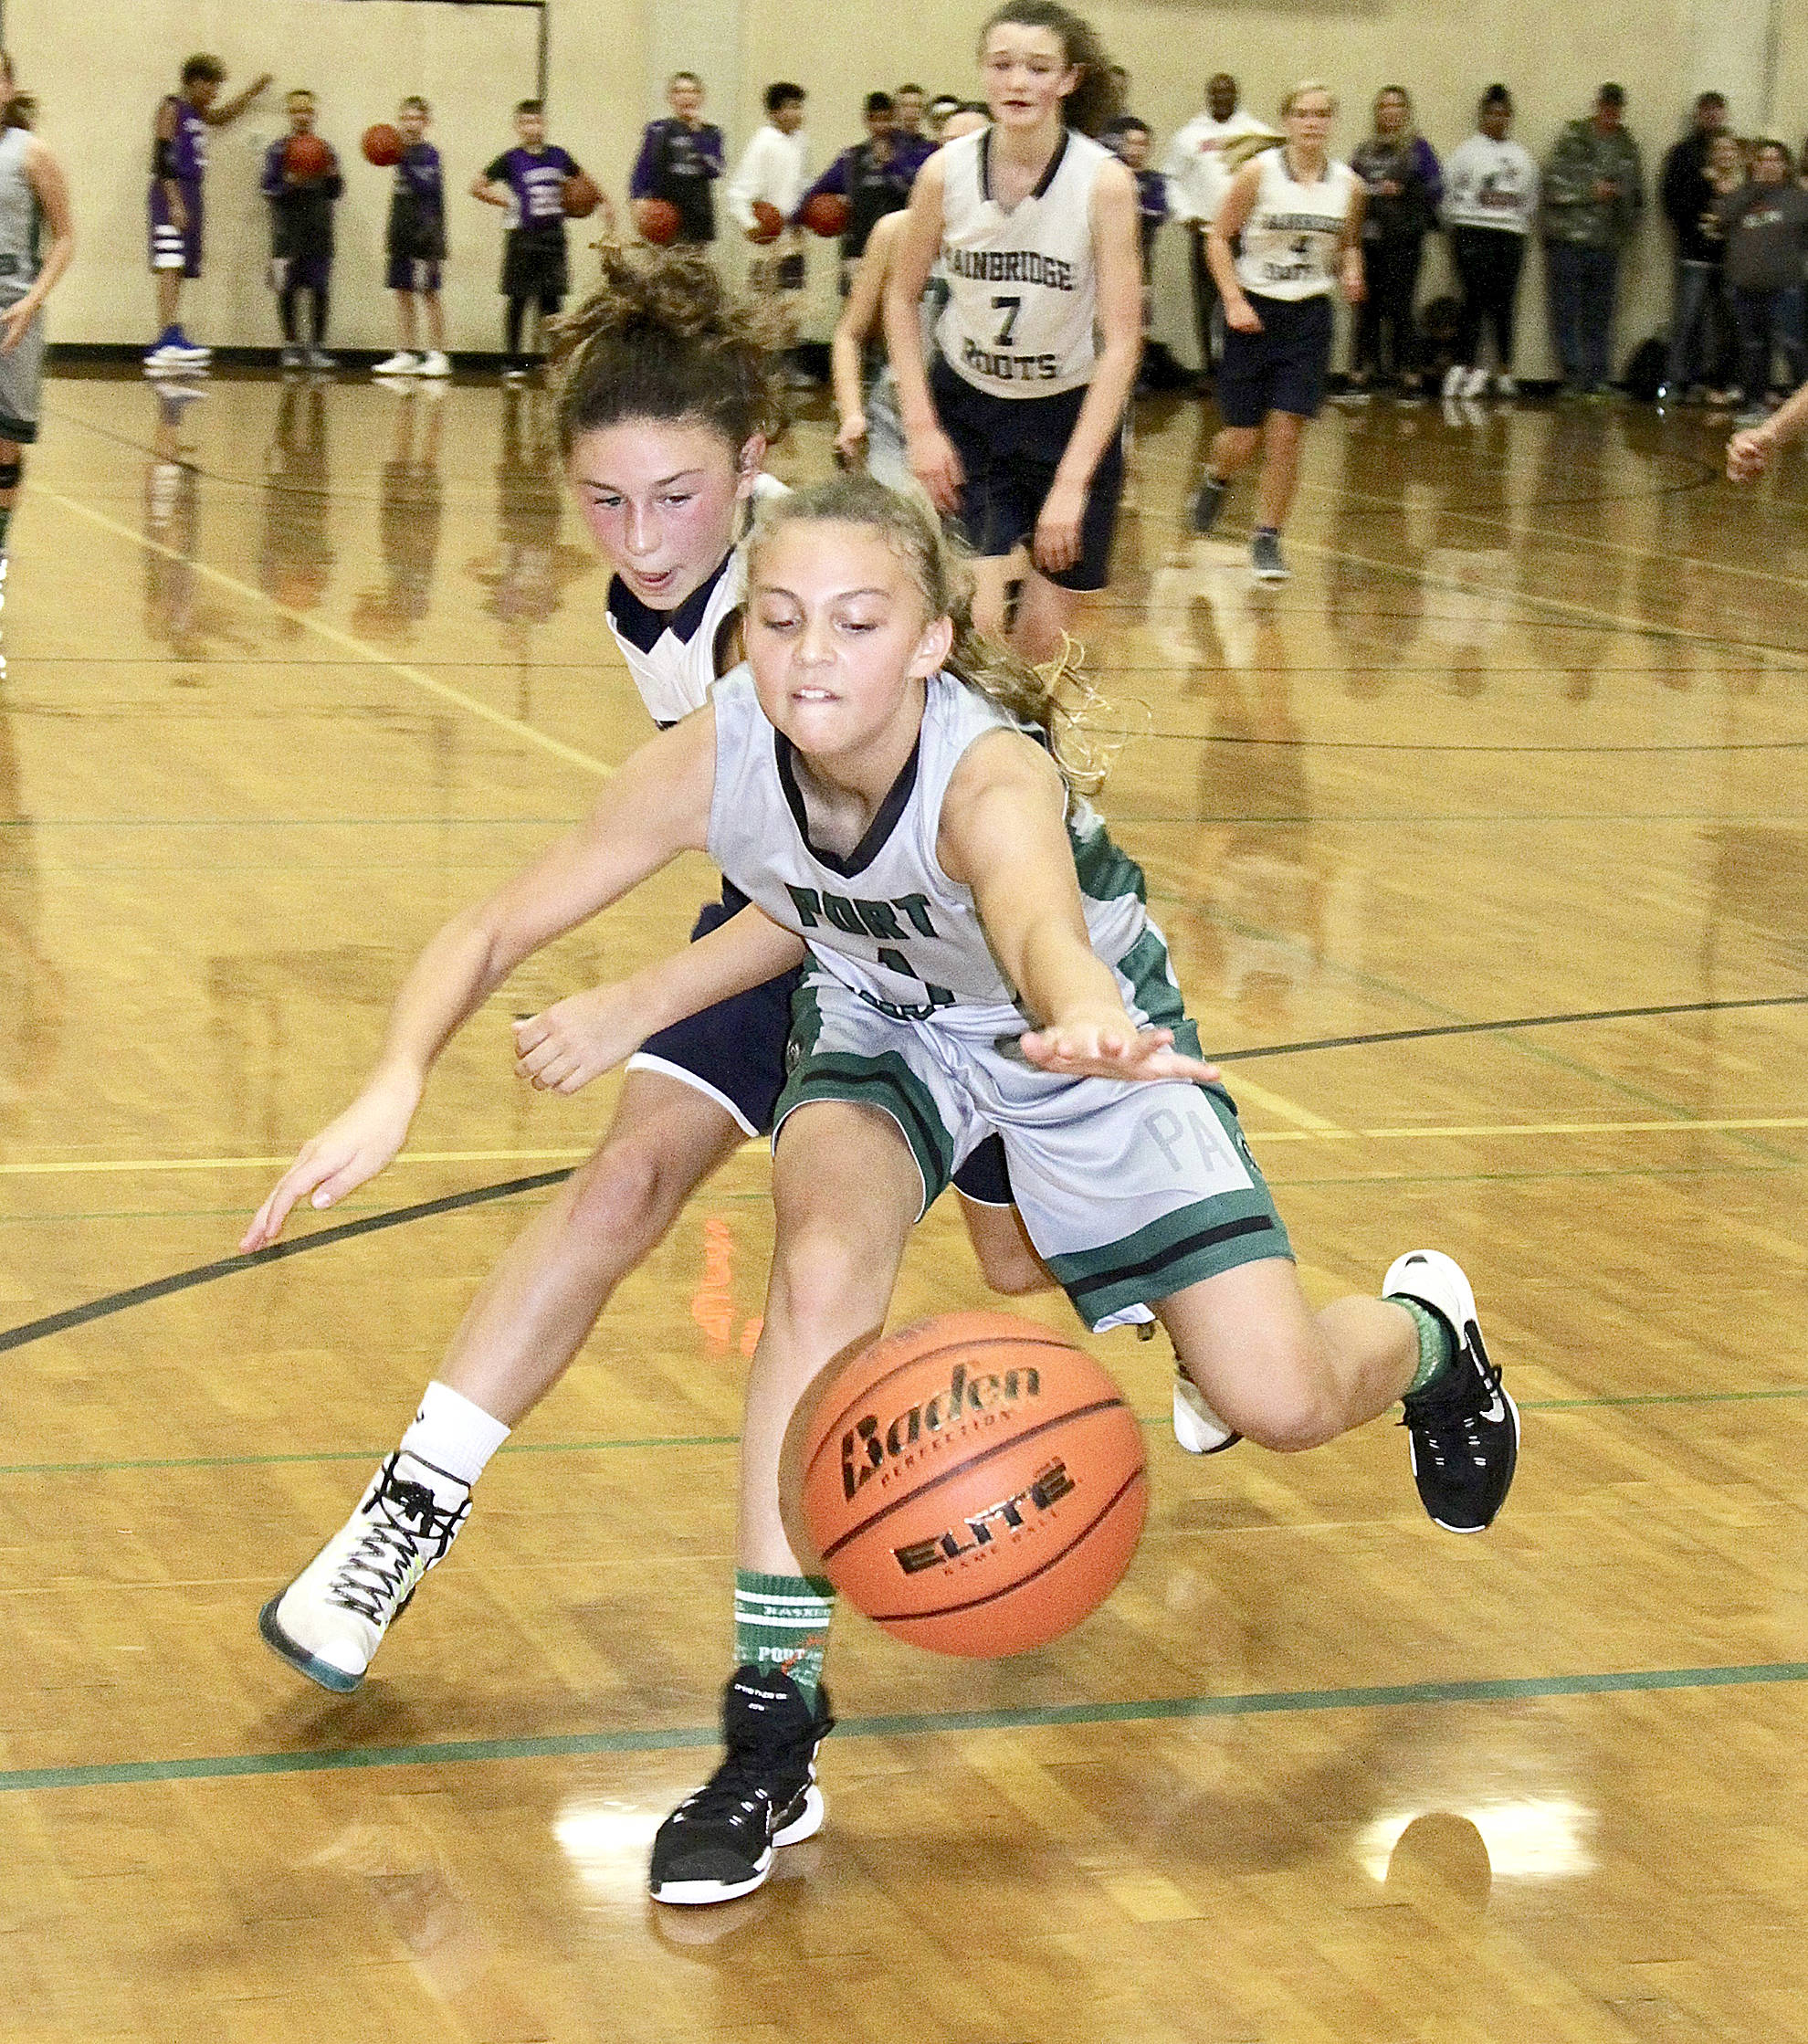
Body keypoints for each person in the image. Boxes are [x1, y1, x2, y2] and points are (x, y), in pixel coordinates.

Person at [447, 470, 1512, 1904]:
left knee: (1280, 1396)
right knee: (820, 1269)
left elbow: (1034, 921)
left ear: (933, 639)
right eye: (781, 617)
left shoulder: (991, 773)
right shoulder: (737, 743)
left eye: (857, 620)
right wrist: (477, 1048)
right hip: (886, 1025)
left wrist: (1084, 1014)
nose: (812, 651)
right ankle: (769, 1727)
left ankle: (1434, 1340)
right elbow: (769, 905)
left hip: (1077, 1036)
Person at [249, 248, 1046, 1704]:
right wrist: (392, 1078)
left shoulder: (779, 620)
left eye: (674, 498)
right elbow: (525, 913)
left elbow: (851, 887)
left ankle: (1209, 1292)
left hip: (949, 936)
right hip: (791, 909)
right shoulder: (664, 591)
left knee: (1021, 1262)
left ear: (752, 465)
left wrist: (635, 1000)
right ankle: (397, 1523)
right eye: (604, 500)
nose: (640, 535)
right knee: (622, 1183)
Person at [886, 0, 1142, 664]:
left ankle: (1032, 736)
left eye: (1038, 67)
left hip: (1066, 416)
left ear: (1069, 79)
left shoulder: (1104, 184)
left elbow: (1122, 343)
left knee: (1038, 655)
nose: (1018, 81)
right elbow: (900, 297)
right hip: (968, 410)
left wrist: (1072, 483)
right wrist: (921, 427)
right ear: (982, 72)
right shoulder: (944, 173)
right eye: (1002, 65)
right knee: (973, 637)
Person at [1189, 83, 1363, 583]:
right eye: (1303, 114)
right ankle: (1216, 478)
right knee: (1243, 435)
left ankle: (1267, 537)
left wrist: (1353, 268)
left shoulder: (1348, 185)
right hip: (1254, 312)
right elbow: (1217, 238)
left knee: (1287, 432)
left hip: (1308, 317)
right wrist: (1233, 299)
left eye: (1322, 114)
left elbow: (1349, 243)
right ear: (1287, 121)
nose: (1312, 123)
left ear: (1331, 122)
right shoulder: (1258, 173)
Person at [832, 108, 991, 484]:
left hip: (975, 421)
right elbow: (849, 334)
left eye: (970, 148)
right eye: (946, 146)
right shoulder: (895, 231)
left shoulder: (1010, 237)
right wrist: (852, 414)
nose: (953, 158)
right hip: (897, 416)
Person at [145, 54, 271, 374]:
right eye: (212, 85)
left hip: (192, 190)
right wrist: (175, 202)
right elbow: (162, 158)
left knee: (180, 265)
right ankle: (166, 338)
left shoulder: (197, 112)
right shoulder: (172, 107)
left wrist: (252, 93)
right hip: (171, 190)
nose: (215, 91)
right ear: (195, 81)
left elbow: (222, 116)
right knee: (170, 263)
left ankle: (173, 334)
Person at [0, 86, 75, 585]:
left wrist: (33, 299)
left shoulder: (31, 153)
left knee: (6, 442)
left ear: (8, 89)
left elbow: (65, 236)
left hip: (13, 307)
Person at [1161, 74, 1275, 386]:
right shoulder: (1189, 136)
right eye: (1216, 92)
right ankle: (1212, 370)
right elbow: (1171, 180)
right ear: (1209, 96)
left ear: (1236, 94)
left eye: (1227, 92)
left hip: (1247, 234)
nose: (1222, 97)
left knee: (1249, 298)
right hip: (1207, 233)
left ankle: (1248, 368)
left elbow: (1270, 180)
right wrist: (1185, 215)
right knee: (1207, 302)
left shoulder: (1257, 133)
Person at [1541, 83, 1645, 397]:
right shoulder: (1574, 138)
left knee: (1600, 315)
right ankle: (1573, 377)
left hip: (1607, 242)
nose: (1610, 113)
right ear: (1597, 106)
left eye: (1616, 108)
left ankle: (1598, 377)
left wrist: (1622, 204)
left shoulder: (1626, 146)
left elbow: (1637, 195)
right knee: (1567, 310)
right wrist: (1591, 191)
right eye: (1606, 107)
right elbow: (1552, 184)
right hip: (1569, 239)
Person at [473, 100, 584, 382]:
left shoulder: (559, 156)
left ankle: (557, 361)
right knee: (518, 299)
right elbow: (477, 186)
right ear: (517, 126)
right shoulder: (510, 159)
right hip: (522, 237)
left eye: (536, 121)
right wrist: (506, 201)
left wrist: (600, 202)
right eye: (526, 122)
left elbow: (584, 183)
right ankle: (512, 362)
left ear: (544, 124)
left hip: (553, 236)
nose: (532, 127)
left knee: (552, 302)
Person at [1441, 84, 1539, 398]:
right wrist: (1460, 222)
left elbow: (1530, 199)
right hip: (1472, 230)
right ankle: (1465, 367)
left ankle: (1505, 371)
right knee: (1473, 300)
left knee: (1504, 303)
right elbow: (1447, 193)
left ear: (1510, 117)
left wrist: (1513, 221)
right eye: (1493, 113)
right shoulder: (1466, 153)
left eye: (1503, 113)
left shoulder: (1521, 157)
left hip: (1509, 234)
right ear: (1484, 115)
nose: (1498, 119)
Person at [1347, 87, 1440, 399]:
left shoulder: (1419, 150)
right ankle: (1360, 375)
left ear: (1406, 111)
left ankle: (1410, 377)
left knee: (1401, 308)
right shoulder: (1364, 151)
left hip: (1403, 242)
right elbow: (1348, 191)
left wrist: (1403, 191)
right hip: (1368, 241)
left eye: (1397, 106)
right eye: (1385, 106)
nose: (1391, 111)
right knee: (1366, 309)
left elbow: (1436, 192)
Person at [1715, 141, 1808, 427]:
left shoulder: (1798, 199)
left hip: (1785, 288)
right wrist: (1750, 190)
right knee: (1753, 349)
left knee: (1794, 347)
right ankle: (1755, 405)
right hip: (1744, 288)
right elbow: (1721, 219)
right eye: (1763, 160)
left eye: (1774, 160)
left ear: (1785, 165)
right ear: (1755, 165)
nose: (1769, 165)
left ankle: (1802, 411)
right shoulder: (1740, 196)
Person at [794, 92, 915, 295]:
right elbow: (817, 191)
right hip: (857, 250)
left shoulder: (908, 156)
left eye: (886, 119)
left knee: (892, 306)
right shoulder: (851, 159)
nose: (881, 126)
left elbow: (913, 193)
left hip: (896, 249)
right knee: (856, 306)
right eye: (875, 120)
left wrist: (890, 165)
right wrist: (795, 219)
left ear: (894, 119)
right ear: (866, 120)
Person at [725, 80, 810, 364]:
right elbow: (738, 193)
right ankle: (761, 367)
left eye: (799, 107)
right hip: (767, 238)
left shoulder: (801, 141)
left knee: (793, 303)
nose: (797, 113)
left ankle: (787, 367)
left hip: (792, 237)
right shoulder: (762, 143)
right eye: (790, 107)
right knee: (764, 305)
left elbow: (801, 184)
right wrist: (751, 225)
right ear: (774, 113)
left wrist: (805, 213)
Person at [260, 90, 342, 374]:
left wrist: (333, 177)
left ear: (314, 115)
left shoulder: (326, 149)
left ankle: (317, 346)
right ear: (289, 115)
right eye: (296, 111)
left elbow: (335, 192)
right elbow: (267, 189)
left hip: (318, 231)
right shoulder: (278, 150)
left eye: (306, 111)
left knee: (319, 289)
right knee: (287, 289)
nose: (302, 117)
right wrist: (288, 183)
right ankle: (291, 346)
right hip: (286, 233)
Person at [1658, 91, 1731, 403]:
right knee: (1687, 320)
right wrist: (1691, 230)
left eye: (1717, 110)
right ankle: (1676, 383)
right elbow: (1671, 198)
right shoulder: (1683, 153)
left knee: (1723, 325)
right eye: (1707, 110)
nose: (1712, 115)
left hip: (1729, 256)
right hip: (1694, 252)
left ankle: (1712, 383)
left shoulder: (1734, 154)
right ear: (1699, 114)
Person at [374, 96, 450, 379]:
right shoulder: (398, 153)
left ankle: (438, 355)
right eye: (405, 118)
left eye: (416, 118)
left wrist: (402, 159)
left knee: (429, 294)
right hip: (401, 232)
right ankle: (406, 353)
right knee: (402, 293)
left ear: (426, 122)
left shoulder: (429, 154)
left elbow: (425, 187)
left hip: (426, 234)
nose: (410, 124)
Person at [629, 71, 724, 248]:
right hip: (662, 216)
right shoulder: (657, 130)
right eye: (679, 91)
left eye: (692, 91)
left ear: (701, 97)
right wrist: (638, 201)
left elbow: (715, 170)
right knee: (661, 265)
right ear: (670, 98)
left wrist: (697, 133)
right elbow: (642, 170)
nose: (686, 96)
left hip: (697, 218)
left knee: (693, 265)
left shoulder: (711, 132)